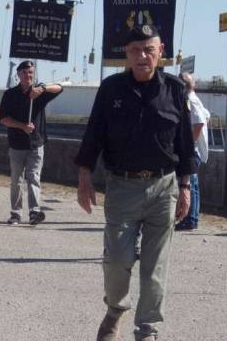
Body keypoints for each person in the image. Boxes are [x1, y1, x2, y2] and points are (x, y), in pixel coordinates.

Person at [74, 24, 195, 341]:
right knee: (117, 260)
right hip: (122, 187)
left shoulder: (174, 90)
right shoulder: (111, 89)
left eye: (149, 49)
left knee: (155, 267)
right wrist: (84, 175)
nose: (143, 56)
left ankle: (147, 330)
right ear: (126, 54)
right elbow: (93, 135)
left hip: (164, 188)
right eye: (135, 50)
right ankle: (115, 309)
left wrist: (185, 188)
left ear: (161, 50)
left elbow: (184, 144)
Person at [0, 60, 63, 225]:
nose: (28, 76)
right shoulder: (10, 95)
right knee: (16, 180)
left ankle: (34, 211)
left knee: (34, 177)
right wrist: (22, 126)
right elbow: (4, 119)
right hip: (17, 145)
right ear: (18, 74)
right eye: (25, 73)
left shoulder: (39, 92)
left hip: (36, 144)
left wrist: (42, 88)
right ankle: (16, 213)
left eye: (31, 73)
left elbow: (60, 87)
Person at [175, 72, 209, 231]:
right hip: (195, 149)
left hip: (193, 150)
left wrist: (189, 143)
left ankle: (190, 219)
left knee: (190, 185)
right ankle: (190, 218)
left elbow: (200, 122)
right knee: (192, 184)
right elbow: (207, 115)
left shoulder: (191, 101)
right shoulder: (195, 100)